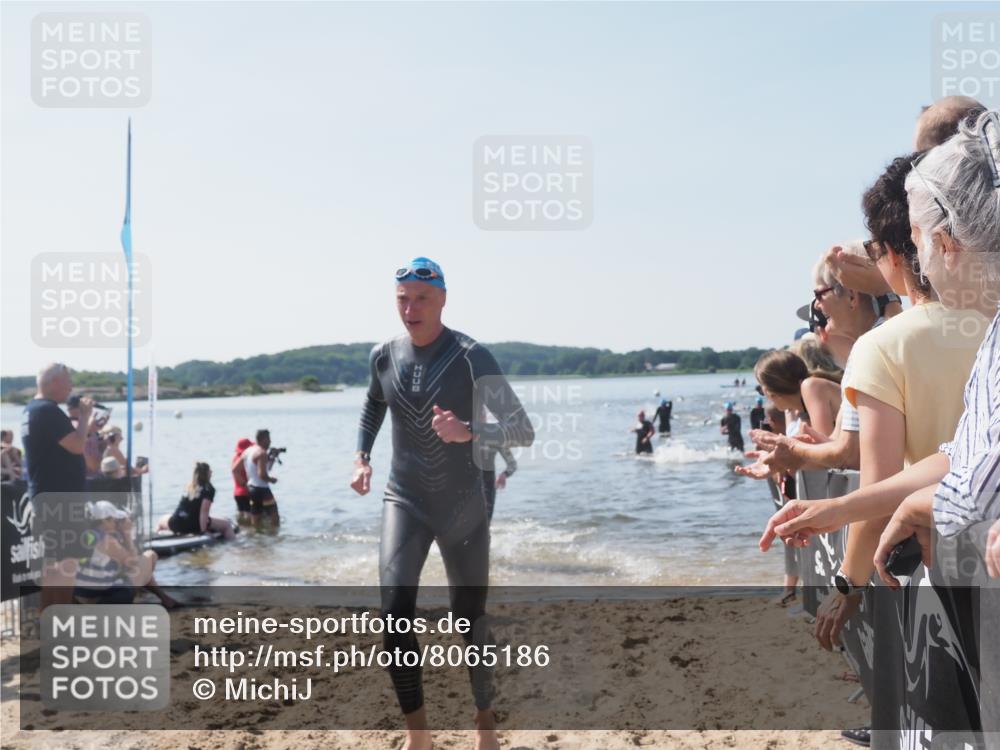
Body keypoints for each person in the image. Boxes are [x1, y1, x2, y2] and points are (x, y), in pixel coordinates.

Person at [762, 110, 1000, 749]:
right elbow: (965, 456)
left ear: (944, 243)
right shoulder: (986, 329)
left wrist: (850, 572)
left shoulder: (888, 345)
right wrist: (839, 504)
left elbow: (954, 483)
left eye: (917, 244)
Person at [350, 257, 533, 750]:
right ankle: (419, 736)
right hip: (404, 496)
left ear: (443, 299)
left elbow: (522, 428)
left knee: (467, 617)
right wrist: (362, 456)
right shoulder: (382, 355)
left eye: (422, 298)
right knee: (393, 614)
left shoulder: (472, 356)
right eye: (402, 299)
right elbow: (374, 403)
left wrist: (467, 431)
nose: (410, 308)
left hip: (465, 500)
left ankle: (485, 722)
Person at [21, 364, 91, 610]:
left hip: (46, 497)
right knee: (66, 565)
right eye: (68, 381)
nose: (71, 387)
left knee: (53, 565)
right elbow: (77, 446)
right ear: (53, 382)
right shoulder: (48, 411)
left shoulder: (32, 409)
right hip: (60, 500)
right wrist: (84, 417)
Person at [76, 500, 177, 608]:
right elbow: (133, 562)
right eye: (114, 521)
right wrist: (127, 534)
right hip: (101, 600)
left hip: (82, 596)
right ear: (105, 521)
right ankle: (165, 599)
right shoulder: (107, 540)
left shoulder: (88, 535)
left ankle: (165, 598)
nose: (116, 524)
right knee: (150, 556)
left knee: (137, 567)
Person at [753, 350, 842, 437]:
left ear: (772, 392)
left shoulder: (811, 387)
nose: (763, 393)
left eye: (761, 386)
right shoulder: (801, 405)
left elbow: (824, 443)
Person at [157, 462, 235, 539]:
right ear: (206, 473)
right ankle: (233, 544)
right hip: (193, 525)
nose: (211, 472)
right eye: (209, 470)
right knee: (227, 525)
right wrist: (204, 532)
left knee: (161, 520)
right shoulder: (209, 489)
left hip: (176, 523)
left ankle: (155, 538)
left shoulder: (189, 486)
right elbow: (203, 512)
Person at [242, 429, 280, 527]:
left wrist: (243, 482)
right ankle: (273, 538)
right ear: (263, 439)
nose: (270, 442)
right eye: (269, 439)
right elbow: (262, 475)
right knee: (274, 518)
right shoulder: (262, 453)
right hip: (262, 489)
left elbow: (236, 468)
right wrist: (272, 480)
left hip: (251, 487)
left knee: (256, 517)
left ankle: (257, 539)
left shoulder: (248, 451)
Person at [481, 445, 517, 523]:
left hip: (488, 486)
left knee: (485, 523)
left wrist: (504, 474)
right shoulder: (462, 435)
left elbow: (512, 464)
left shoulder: (497, 437)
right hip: (466, 487)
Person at [231, 437, 255, 525]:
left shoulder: (235, 458)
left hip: (237, 493)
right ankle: (249, 535)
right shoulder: (244, 460)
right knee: (250, 517)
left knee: (241, 516)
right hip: (245, 492)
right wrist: (246, 485)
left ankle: (242, 533)